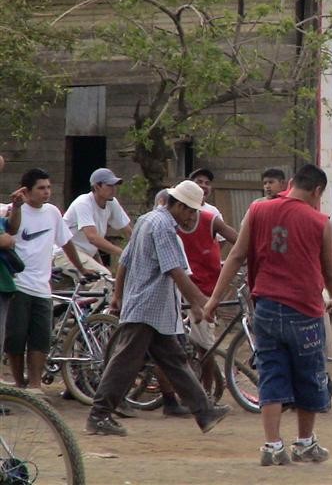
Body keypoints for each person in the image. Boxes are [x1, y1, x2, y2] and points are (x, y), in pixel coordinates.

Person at [205, 163, 332, 467]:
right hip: (304, 311)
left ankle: (272, 445)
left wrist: (214, 298)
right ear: (317, 191)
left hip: (264, 307)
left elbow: (236, 255)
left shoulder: (257, 210)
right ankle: (305, 443)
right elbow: (330, 271)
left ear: (290, 183)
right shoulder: (321, 222)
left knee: (271, 373)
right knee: (309, 375)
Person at [86, 180, 230, 436]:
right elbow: (175, 269)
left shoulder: (146, 220)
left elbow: (126, 260)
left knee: (174, 361)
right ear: (178, 205)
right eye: (190, 211)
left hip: (153, 308)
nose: (191, 217)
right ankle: (98, 415)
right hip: (147, 307)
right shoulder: (163, 227)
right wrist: (202, 302)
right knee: (124, 362)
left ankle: (204, 412)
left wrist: (119, 295)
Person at [6, 168, 96, 393]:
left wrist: (81, 268)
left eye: (48, 187)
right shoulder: (14, 210)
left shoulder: (53, 213)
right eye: (41, 188)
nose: (47, 192)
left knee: (40, 339)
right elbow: (12, 227)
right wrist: (16, 207)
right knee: (16, 338)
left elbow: (66, 242)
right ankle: (19, 384)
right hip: (18, 283)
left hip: (42, 287)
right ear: (27, 191)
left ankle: (35, 385)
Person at [177, 203, 237, 392]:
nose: (190, 217)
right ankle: (206, 393)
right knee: (205, 344)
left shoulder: (210, 220)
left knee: (204, 340)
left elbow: (238, 239)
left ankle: (206, 391)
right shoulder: (170, 225)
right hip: (186, 288)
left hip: (208, 287)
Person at [54, 168, 132, 280]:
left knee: (108, 280)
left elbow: (128, 231)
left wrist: (139, 250)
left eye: (115, 185)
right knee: (103, 278)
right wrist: (123, 253)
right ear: (96, 187)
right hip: (65, 255)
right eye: (109, 185)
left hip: (85, 255)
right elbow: (93, 238)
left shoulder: (112, 203)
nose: (114, 189)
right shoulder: (83, 203)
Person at [0, 155, 23, 366]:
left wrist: (16, 208)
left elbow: (11, 228)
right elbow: (6, 239)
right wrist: (4, 241)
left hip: (3, 282)